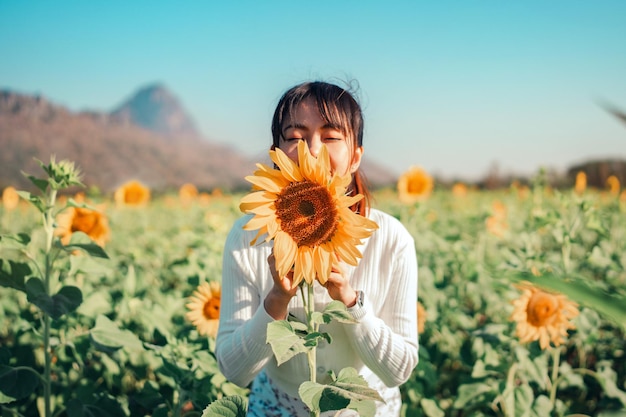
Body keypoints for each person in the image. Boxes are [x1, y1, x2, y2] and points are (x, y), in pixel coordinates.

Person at [216, 81, 418, 417]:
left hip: (362, 406)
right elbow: (234, 371)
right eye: (295, 137)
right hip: (278, 405)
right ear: (277, 153)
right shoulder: (248, 236)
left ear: (355, 157)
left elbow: (398, 371)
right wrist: (276, 301)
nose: (313, 151)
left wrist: (351, 302)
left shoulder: (391, 239)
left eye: (330, 136)